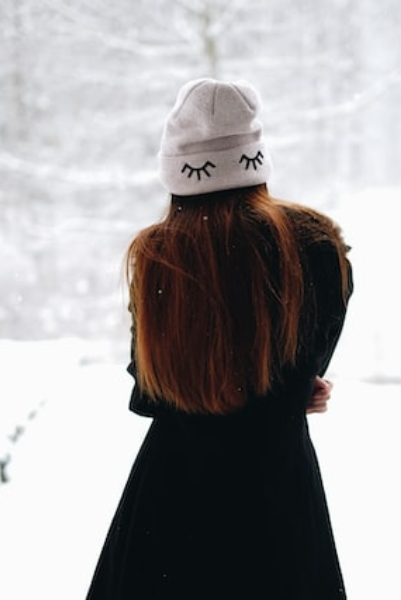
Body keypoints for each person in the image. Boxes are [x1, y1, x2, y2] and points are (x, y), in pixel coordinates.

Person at [85, 78, 353, 600]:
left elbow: (149, 392)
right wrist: (295, 391)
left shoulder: (160, 254)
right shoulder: (316, 248)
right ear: (253, 158)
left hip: (172, 500)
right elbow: (302, 365)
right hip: (278, 495)